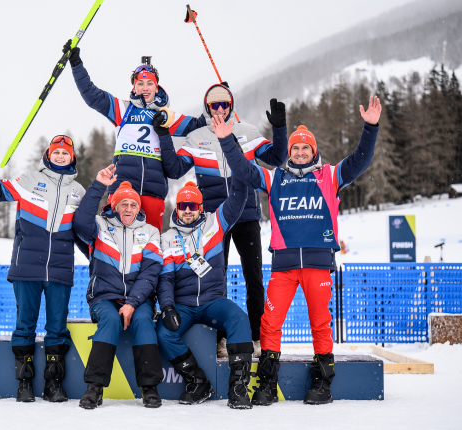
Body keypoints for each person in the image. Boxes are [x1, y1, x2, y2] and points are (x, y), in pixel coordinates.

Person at [216, 96, 382, 405]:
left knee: (320, 322)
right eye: (295, 148)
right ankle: (267, 383)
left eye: (306, 147)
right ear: (289, 153)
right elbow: (243, 169)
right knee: (270, 323)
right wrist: (227, 141)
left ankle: (323, 383)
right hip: (285, 266)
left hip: (318, 265)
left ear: (314, 151)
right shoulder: (276, 178)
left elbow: (360, 159)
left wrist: (370, 127)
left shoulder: (330, 176)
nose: (301, 152)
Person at [155, 83, 288, 357]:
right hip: (213, 221)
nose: (218, 109)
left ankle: (256, 336)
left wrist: (279, 128)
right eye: (213, 105)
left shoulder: (247, 132)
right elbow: (174, 168)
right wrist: (164, 135)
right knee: (217, 279)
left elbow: (276, 159)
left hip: (246, 213)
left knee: (254, 278)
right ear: (206, 107)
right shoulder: (197, 136)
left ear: (231, 106)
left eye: (223, 104)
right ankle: (221, 339)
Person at [0, 129, 86, 403]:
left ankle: (53, 384)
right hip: (27, 265)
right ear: (48, 154)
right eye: (56, 152)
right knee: (25, 324)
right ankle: (24, 382)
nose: (61, 156)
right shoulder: (29, 180)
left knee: (57, 327)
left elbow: (85, 230)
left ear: (72, 157)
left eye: (65, 153)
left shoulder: (78, 191)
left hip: (60, 269)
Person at [64, 40, 207, 233]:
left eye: (150, 83)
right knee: (119, 245)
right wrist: (76, 64)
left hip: (153, 192)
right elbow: (91, 95)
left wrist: (220, 99)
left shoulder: (165, 116)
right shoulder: (122, 109)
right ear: (134, 87)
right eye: (140, 83)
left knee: (149, 247)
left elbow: (198, 125)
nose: (145, 88)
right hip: (123, 190)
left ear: (157, 88)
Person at [156, 178, 255, 409]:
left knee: (239, 318)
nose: (187, 211)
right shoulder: (168, 238)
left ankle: (239, 387)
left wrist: (241, 168)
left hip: (213, 301)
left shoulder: (215, 223)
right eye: (183, 206)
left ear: (201, 207)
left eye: (192, 206)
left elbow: (239, 197)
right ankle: (198, 382)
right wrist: (168, 306)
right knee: (164, 332)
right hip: (184, 305)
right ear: (176, 207)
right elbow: (166, 279)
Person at [73, 166, 164, 409]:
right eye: (123, 204)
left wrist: (132, 303)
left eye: (133, 205)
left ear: (138, 209)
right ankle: (94, 387)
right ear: (114, 205)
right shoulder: (99, 226)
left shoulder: (151, 232)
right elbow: (80, 223)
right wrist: (99, 186)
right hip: (104, 297)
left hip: (140, 299)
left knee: (144, 321)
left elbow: (151, 272)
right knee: (111, 321)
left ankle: (149, 388)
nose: (128, 209)